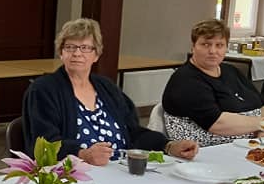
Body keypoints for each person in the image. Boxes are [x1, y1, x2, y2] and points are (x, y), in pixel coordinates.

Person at [22, 18, 198, 165]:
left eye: (85, 47)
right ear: (61, 53)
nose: (77, 53)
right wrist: (83, 155)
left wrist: (169, 146)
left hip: (120, 169)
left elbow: (133, 132)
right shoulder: (44, 89)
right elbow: (44, 143)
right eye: (70, 47)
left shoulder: (106, 87)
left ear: (96, 55)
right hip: (75, 173)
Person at [162, 19, 264, 146]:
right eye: (206, 44)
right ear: (193, 47)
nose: (213, 51)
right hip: (210, 150)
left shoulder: (231, 71)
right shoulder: (185, 80)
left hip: (255, 142)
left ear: (226, 48)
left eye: (219, 45)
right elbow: (216, 124)